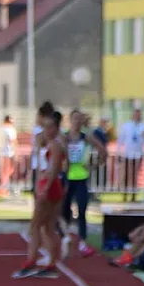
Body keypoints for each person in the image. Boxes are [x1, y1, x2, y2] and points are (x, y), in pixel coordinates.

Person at [14, 110, 66, 279]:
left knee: (35, 225)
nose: (47, 130)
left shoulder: (55, 145)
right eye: (45, 127)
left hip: (50, 187)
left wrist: (44, 188)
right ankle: (51, 262)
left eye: (50, 127)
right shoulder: (49, 143)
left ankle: (32, 260)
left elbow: (55, 168)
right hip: (49, 185)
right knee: (47, 227)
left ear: (56, 128)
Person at [61, 110, 107, 258]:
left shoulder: (85, 137)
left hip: (81, 177)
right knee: (64, 210)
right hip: (67, 177)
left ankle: (82, 242)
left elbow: (103, 151)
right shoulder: (64, 137)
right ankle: (65, 239)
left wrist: (94, 165)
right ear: (70, 120)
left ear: (82, 122)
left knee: (82, 209)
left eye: (79, 119)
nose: (77, 122)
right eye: (74, 119)